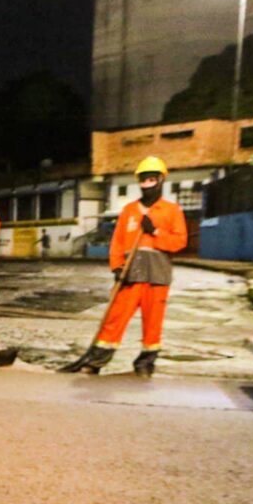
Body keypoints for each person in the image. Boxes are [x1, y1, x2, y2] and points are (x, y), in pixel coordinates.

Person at [61, 156, 187, 376]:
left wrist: (154, 231)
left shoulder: (171, 210)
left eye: (151, 179)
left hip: (157, 276)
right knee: (114, 318)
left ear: (160, 180)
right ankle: (96, 360)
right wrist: (117, 267)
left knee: (153, 323)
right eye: (143, 180)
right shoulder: (129, 210)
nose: (147, 184)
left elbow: (179, 242)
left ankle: (145, 362)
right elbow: (117, 243)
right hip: (130, 274)